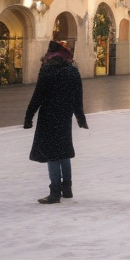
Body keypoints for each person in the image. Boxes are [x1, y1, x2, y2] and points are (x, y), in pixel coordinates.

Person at [24, 40, 88, 203]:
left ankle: (55, 192)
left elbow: (38, 96)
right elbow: (78, 97)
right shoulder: (72, 71)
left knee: (52, 154)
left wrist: (29, 116)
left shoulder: (47, 71)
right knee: (64, 151)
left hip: (48, 115)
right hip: (65, 115)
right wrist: (80, 117)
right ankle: (67, 188)